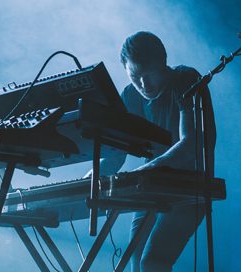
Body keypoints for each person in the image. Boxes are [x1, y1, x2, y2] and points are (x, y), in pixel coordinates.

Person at [91, 31, 216, 271]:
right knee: (135, 264)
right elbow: (117, 152)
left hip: (189, 191)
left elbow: (190, 144)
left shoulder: (185, 80)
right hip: (150, 189)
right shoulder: (130, 95)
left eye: (149, 75)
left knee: (152, 264)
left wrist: (144, 170)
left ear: (163, 63)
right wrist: (93, 174)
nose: (143, 85)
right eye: (135, 76)